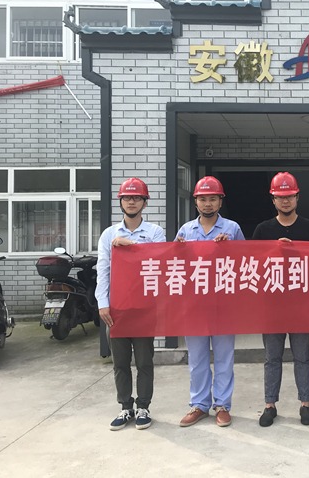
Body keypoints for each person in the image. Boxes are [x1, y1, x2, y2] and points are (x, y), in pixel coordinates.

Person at [252, 172, 309, 427]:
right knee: (272, 358)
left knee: (302, 357)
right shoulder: (263, 229)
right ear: (273, 199)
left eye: (290, 196)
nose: (285, 201)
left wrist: (295, 251)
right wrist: (274, 251)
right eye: (280, 197)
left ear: (297, 197)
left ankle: (305, 404)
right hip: (272, 306)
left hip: (302, 305)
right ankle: (270, 405)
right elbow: (252, 265)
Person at [96, 178, 166, 431]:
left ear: (144, 203)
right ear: (121, 202)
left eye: (137, 198)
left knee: (145, 361)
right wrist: (103, 303)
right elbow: (103, 270)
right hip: (117, 309)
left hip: (145, 307)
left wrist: (131, 245)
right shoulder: (109, 234)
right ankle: (126, 407)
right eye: (127, 198)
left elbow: (158, 260)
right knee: (120, 362)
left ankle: (143, 406)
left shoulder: (155, 232)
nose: (132, 202)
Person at [176, 176, 245, 428]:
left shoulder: (232, 229)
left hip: (223, 304)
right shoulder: (185, 231)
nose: (208, 204)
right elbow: (173, 267)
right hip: (194, 305)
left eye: (212, 199)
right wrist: (178, 249)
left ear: (220, 201)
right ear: (195, 202)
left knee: (224, 357)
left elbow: (246, 263)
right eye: (203, 199)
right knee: (197, 359)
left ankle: (222, 405)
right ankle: (199, 405)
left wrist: (230, 249)